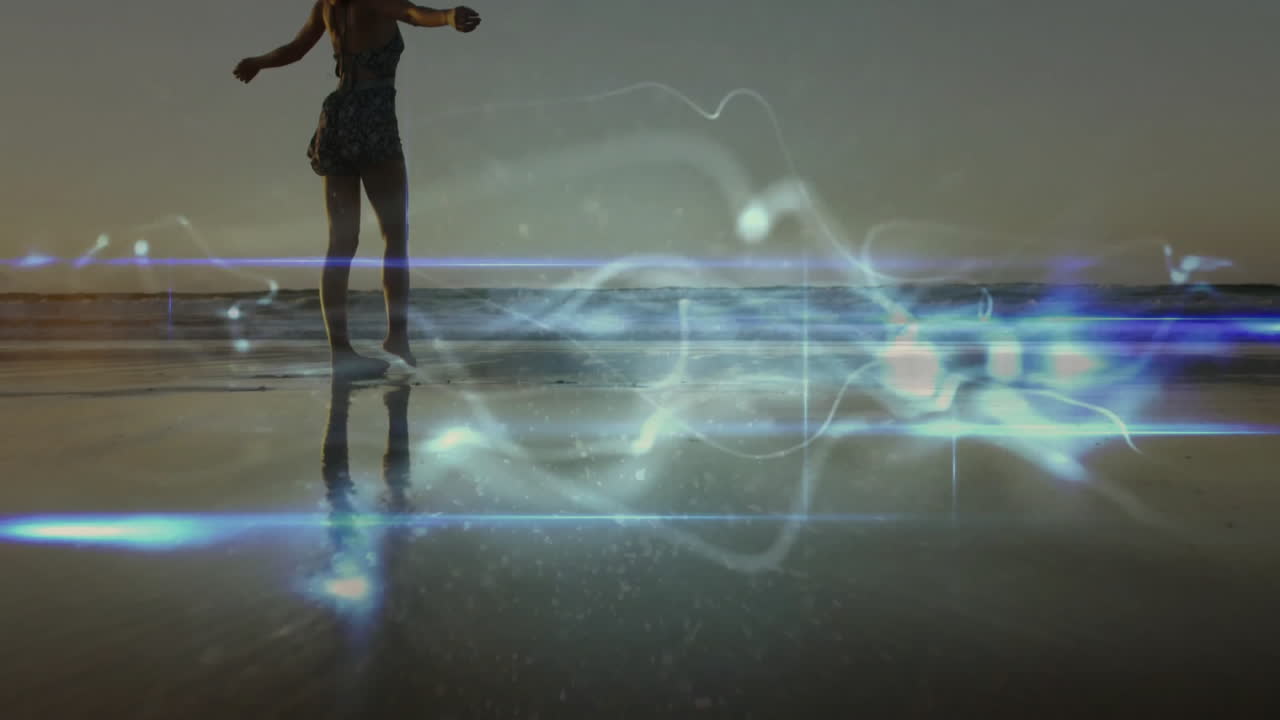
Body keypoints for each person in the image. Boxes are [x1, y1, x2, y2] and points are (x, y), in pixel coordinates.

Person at [233, 1, 481, 380]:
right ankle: (396, 336)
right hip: (373, 115)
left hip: (336, 117)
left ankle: (341, 352)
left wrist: (258, 62)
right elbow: (412, 14)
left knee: (340, 244)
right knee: (394, 236)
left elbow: (296, 48)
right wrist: (448, 17)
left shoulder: (327, 4)